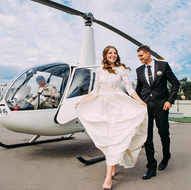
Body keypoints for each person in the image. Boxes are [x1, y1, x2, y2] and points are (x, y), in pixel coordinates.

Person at [75, 46, 148, 189]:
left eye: (115, 53)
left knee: (115, 137)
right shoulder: (100, 71)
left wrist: (140, 101)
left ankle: (108, 177)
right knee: (109, 138)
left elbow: (129, 88)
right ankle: (113, 165)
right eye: (110, 53)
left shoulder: (120, 69)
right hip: (103, 108)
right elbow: (95, 91)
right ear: (105, 55)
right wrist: (82, 101)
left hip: (119, 107)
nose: (113, 55)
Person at [135, 45, 179, 180]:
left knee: (163, 133)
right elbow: (139, 88)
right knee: (147, 136)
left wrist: (169, 101)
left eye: (141, 56)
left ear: (148, 54)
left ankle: (166, 156)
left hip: (161, 106)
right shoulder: (139, 70)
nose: (140, 59)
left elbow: (175, 83)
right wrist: (136, 103)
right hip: (146, 106)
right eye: (138, 57)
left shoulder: (163, 66)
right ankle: (151, 167)